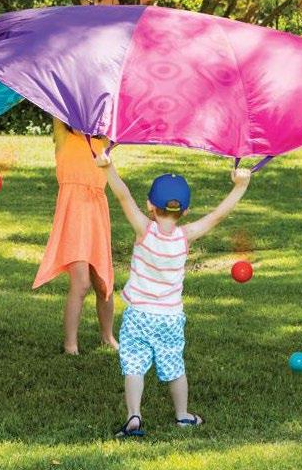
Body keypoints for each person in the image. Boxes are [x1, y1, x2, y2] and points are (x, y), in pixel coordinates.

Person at [96, 152, 251, 436]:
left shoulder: (144, 230)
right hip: (169, 318)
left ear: (150, 205)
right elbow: (217, 215)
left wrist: (108, 167)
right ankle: (182, 416)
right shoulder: (186, 235)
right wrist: (240, 186)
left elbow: (123, 196)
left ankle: (134, 416)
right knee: (174, 366)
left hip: (139, 315)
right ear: (186, 211)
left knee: (134, 366)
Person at [33, 118, 118, 354]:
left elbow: (117, 113)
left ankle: (108, 336)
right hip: (73, 220)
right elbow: (58, 101)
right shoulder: (63, 135)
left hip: (97, 218)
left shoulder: (104, 141)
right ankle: (70, 344)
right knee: (80, 283)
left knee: (104, 283)